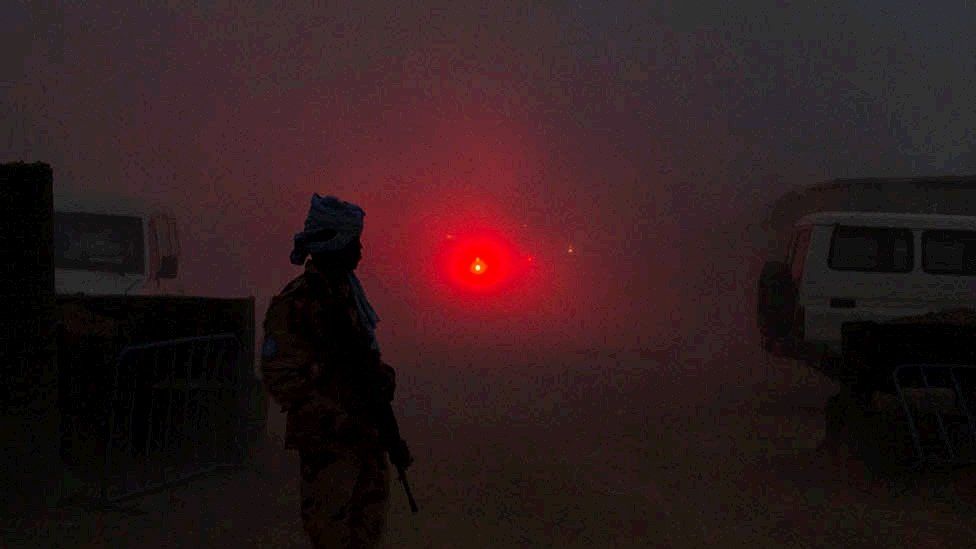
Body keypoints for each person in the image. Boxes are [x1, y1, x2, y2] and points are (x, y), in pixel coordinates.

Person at [261, 194, 412, 548]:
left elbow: (363, 362)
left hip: (365, 441)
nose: (359, 251)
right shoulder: (298, 302)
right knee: (331, 535)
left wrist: (381, 380)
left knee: (365, 533)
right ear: (334, 242)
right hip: (330, 446)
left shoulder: (346, 297)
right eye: (353, 242)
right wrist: (337, 419)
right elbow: (281, 376)